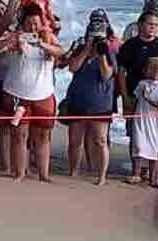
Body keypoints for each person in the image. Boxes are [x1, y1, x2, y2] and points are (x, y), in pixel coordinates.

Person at [0, 3, 62, 181]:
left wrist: (42, 44)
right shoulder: (14, 36)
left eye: (36, 23)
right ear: (23, 23)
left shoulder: (49, 37)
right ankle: (19, 173)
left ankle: (44, 174)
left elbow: (60, 53)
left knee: (43, 136)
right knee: (19, 134)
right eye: (29, 23)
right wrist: (13, 41)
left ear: (42, 23)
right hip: (17, 93)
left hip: (43, 94)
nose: (33, 27)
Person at [116, 10, 158, 183]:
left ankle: (153, 174)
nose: (153, 28)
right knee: (135, 134)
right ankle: (136, 171)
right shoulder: (129, 45)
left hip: (157, 97)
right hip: (135, 95)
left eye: (156, 25)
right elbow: (121, 72)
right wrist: (125, 97)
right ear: (140, 24)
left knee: (157, 137)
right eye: (150, 24)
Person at [64, 16, 115, 185]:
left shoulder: (109, 51)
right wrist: (87, 49)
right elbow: (72, 67)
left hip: (100, 104)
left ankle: (101, 177)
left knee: (100, 140)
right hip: (78, 101)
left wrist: (101, 55)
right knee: (74, 140)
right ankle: (74, 171)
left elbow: (107, 75)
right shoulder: (80, 48)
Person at [129, 56, 158, 187]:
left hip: (154, 122)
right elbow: (135, 100)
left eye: (148, 67)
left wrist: (147, 99)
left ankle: (153, 178)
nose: (145, 69)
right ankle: (136, 174)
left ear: (157, 70)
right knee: (138, 145)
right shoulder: (142, 83)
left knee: (153, 148)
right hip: (140, 118)